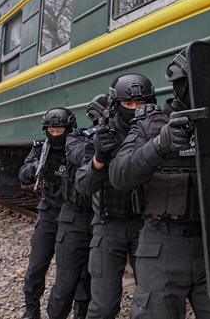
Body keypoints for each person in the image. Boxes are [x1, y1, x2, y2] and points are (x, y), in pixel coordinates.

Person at [109, 51, 210, 319]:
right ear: (180, 84)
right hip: (163, 244)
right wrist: (159, 145)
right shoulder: (150, 125)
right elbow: (119, 175)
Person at [74, 74, 156, 319]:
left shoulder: (158, 131)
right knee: (103, 304)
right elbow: (84, 186)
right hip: (108, 224)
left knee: (151, 303)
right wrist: (99, 157)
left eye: (140, 104)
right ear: (115, 105)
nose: (134, 109)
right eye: (127, 104)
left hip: (147, 224)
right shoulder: (103, 135)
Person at [47, 95, 110, 319]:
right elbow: (78, 155)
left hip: (101, 218)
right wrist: (102, 148)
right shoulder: (78, 137)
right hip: (74, 217)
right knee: (65, 283)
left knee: (90, 284)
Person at [19, 107, 77, 319]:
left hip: (75, 214)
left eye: (59, 131)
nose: (55, 136)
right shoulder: (40, 148)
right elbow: (23, 175)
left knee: (73, 270)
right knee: (37, 263)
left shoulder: (80, 146)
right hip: (49, 210)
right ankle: (31, 307)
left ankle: (79, 310)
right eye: (51, 131)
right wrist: (33, 169)